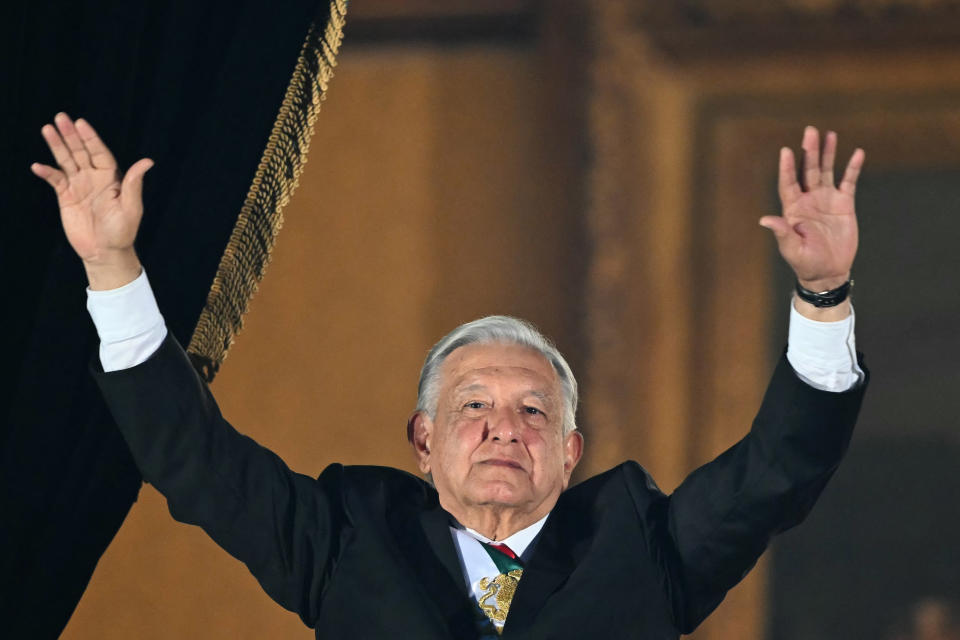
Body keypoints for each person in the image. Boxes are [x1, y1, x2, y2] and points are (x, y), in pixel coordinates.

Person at [33, 112, 867, 639]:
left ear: (572, 452)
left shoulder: (643, 545)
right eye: (474, 405)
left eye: (535, 412)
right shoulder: (347, 538)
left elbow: (777, 472)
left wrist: (823, 292)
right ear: (423, 442)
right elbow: (194, 460)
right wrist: (111, 266)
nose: (506, 426)